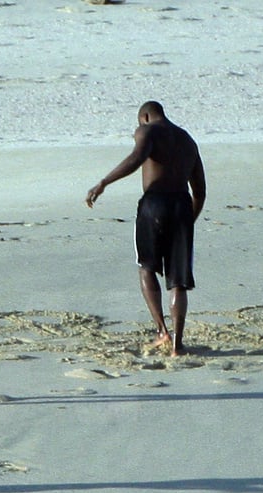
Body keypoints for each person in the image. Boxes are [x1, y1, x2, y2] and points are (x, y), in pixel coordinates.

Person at [86, 100, 206, 356]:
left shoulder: (148, 130)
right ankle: (178, 345)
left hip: (155, 204)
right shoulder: (188, 140)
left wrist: (104, 182)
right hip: (182, 206)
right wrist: (188, 222)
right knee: (178, 281)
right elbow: (200, 191)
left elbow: (136, 157)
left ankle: (162, 331)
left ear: (146, 117)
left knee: (147, 267)